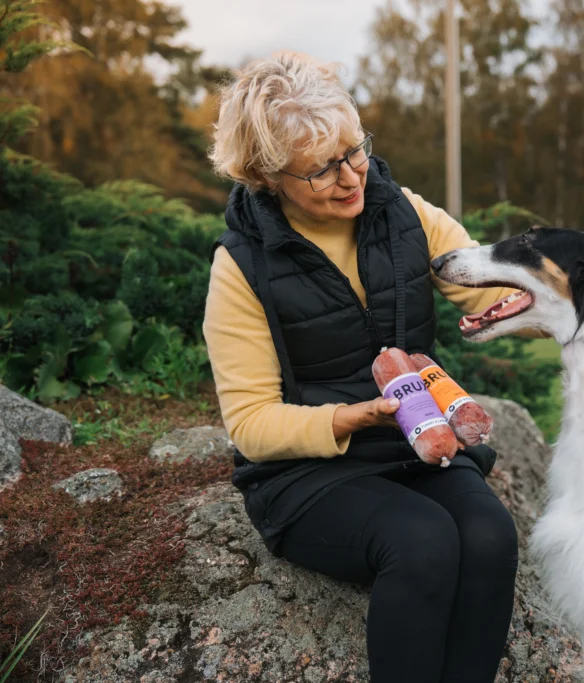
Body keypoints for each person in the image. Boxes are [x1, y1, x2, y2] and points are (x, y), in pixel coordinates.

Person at [203, 51, 533, 683]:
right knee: (422, 543)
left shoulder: (405, 214)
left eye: (355, 150)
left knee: (489, 535)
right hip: (308, 477)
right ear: (268, 177)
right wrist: (351, 417)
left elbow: (487, 287)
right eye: (321, 169)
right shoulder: (240, 266)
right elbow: (249, 422)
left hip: (419, 448)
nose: (351, 176)